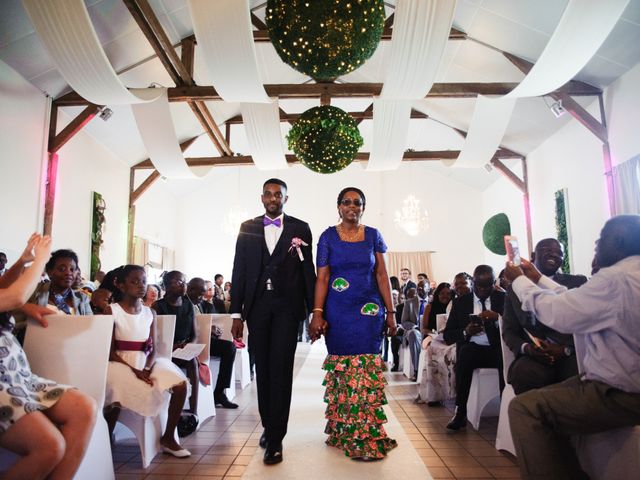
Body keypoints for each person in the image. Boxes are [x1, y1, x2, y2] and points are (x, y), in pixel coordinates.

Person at [504, 215, 640, 479]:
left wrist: (519, 281)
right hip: (613, 379)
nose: (596, 247)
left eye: (600, 239)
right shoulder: (630, 274)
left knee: (524, 409)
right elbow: (573, 300)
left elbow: (560, 314)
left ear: (620, 241)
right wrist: (538, 278)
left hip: (622, 391)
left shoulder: (616, 278)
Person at [230, 178, 316, 465]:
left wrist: (314, 311)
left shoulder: (300, 228)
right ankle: (268, 425)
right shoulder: (248, 227)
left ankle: (276, 438)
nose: (272, 198)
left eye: (278, 194)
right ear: (262, 197)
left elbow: (308, 271)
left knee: (280, 371)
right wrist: (236, 314)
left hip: (287, 310)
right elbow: (239, 271)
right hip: (257, 309)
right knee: (263, 371)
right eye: (267, 193)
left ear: (286, 199)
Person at [310, 187, 398, 461]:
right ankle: (341, 429)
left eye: (357, 203)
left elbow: (382, 274)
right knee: (342, 369)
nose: (352, 206)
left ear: (363, 207)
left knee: (366, 369)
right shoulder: (327, 237)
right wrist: (317, 313)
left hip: (369, 311)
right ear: (338, 207)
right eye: (346, 202)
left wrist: (391, 312)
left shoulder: (373, 235)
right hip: (338, 312)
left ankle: (366, 437)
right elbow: (322, 278)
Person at [0, 234, 97, 479]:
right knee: (50, 446)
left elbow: (4, 290)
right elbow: (14, 296)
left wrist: (23, 260)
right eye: (60, 268)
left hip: (16, 373)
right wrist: (39, 262)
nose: (68, 273)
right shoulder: (39, 290)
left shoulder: (81, 300)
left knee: (85, 407)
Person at [104, 265, 190, 458]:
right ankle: (106, 435)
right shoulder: (112, 311)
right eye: (134, 282)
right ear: (121, 285)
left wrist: (147, 367)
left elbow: (153, 347)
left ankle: (168, 437)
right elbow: (109, 352)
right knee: (117, 386)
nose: (141, 286)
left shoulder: (150, 313)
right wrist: (134, 371)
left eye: (143, 281)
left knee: (180, 384)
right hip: (119, 362)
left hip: (145, 362)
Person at [503, 238, 587, 394]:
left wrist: (565, 349)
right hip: (534, 356)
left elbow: (572, 312)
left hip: (569, 352)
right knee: (524, 373)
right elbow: (509, 331)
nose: (554, 255)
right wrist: (527, 348)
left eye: (559, 253)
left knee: (580, 373)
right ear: (533, 255)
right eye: (548, 250)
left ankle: (569, 416)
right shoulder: (513, 288)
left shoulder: (578, 282)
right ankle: (535, 415)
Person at [443, 265, 505, 431]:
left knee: (505, 357)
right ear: (473, 282)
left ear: (494, 283)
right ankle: (460, 411)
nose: (483, 290)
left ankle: (506, 411)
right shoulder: (460, 303)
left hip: (498, 348)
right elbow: (448, 335)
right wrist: (465, 331)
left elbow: (517, 327)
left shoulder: (504, 299)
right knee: (465, 354)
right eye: (479, 286)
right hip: (474, 349)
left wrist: (499, 319)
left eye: (488, 286)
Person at [13, 249, 93, 344]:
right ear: (50, 271)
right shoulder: (34, 292)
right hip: (37, 346)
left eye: (72, 269)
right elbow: (14, 324)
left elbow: (90, 329)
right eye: (62, 269)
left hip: (72, 348)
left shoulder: (82, 298)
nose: (68, 273)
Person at [152, 271, 200, 417]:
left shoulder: (188, 304)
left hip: (183, 348)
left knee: (193, 361)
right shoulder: (158, 306)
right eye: (179, 282)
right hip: (164, 350)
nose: (183, 285)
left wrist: (189, 346)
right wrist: (172, 347)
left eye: (184, 282)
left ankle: (193, 411)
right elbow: (155, 336)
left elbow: (195, 334)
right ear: (167, 285)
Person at [186, 277, 238, 408]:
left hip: (204, 339)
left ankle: (220, 391)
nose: (201, 297)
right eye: (199, 294)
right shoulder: (184, 304)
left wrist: (213, 329)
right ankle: (219, 393)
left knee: (230, 347)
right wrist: (208, 329)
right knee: (229, 348)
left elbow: (205, 320)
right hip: (191, 342)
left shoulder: (203, 304)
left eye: (203, 294)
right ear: (190, 289)